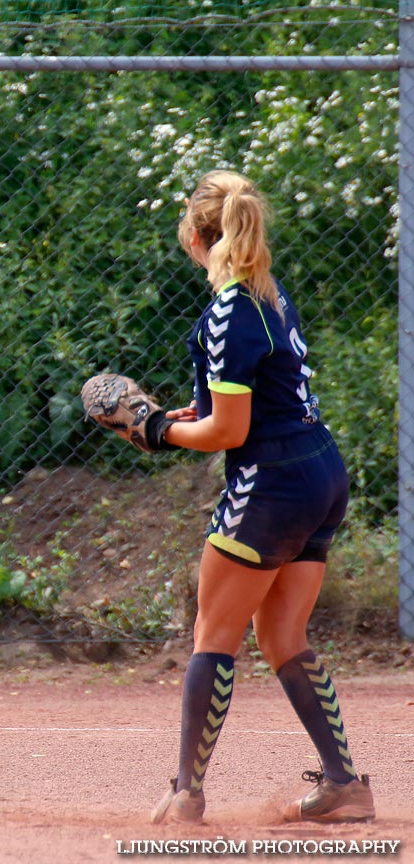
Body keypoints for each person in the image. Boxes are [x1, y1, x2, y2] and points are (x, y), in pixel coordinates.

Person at [141, 170, 374, 824]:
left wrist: (159, 431)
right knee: (282, 634)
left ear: (195, 236)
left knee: (214, 633)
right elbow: (246, 401)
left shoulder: (225, 313)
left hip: (271, 482)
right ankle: (345, 784)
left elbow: (229, 432)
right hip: (321, 472)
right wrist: (191, 413)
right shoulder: (268, 294)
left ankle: (186, 792)